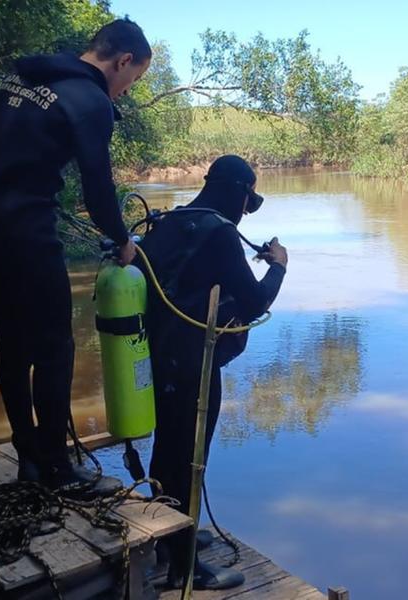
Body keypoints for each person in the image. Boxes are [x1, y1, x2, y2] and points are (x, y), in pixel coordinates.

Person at [0, 19, 150, 491]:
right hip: (27, 232)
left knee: (13, 346)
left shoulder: (25, 78)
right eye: (133, 80)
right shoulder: (91, 102)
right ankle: (58, 470)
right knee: (55, 349)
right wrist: (123, 240)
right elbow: (98, 188)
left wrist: (13, 182)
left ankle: (29, 460)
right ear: (122, 60)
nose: (127, 92)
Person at [137, 155, 288, 589]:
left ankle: (170, 537)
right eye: (247, 200)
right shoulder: (220, 234)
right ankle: (187, 570)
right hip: (196, 363)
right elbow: (256, 301)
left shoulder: (172, 221)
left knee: (168, 447)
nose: (245, 210)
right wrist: (278, 265)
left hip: (159, 355)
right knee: (191, 459)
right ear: (240, 192)